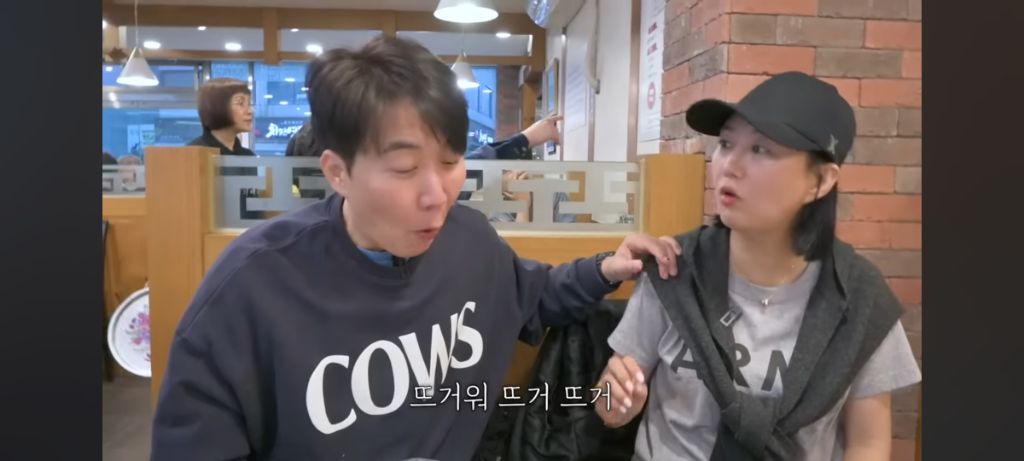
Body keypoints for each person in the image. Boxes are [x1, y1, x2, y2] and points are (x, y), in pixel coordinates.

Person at [151, 35, 682, 460]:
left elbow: (532, 294)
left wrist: (606, 268)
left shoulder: (469, 239)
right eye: (405, 168)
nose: (437, 196)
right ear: (337, 172)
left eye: (450, 162)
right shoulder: (250, 288)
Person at [595, 72, 921, 460]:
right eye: (726, 143)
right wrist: (615, 403)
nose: (729, 166)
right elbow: (607, 402)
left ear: (820, 181)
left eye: (761, 149)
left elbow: (867, 444)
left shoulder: (859, 298)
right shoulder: (674, 268)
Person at [463, 115, 574, 223]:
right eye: (506, 171)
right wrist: (522, 205)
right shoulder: (498, 208)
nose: (516, 172)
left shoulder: (555, 195)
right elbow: (515, 238)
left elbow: (569, 234)